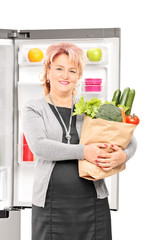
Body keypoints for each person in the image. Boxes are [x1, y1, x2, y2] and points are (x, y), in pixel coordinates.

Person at [22, 42, 137, 240]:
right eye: (59, 69)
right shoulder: (34, 108)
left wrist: (122, 156)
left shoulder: (90, 108)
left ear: (78, 76)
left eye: (72, 71)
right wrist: (84, 151)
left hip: (91, 203)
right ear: (47, 71)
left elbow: (128, 137)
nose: (65, 76)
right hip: (51, 205)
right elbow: (40, 147)